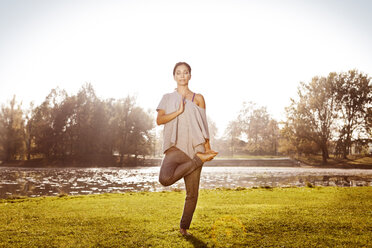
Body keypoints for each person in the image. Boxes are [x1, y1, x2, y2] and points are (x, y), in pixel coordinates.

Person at [156, 62, 218, 236]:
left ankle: (184, 228)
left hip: (196, 147)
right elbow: (159, 120)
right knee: (164, 179)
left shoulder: (198, 98)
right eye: (178, 73)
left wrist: (207, 147)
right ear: (174, 76)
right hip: (175, 147)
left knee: (192, 193)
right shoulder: (167, 97)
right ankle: (198, 161)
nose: (182, 76)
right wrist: (179, 110)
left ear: (190, 75)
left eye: (185, 72)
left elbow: (204, 125)